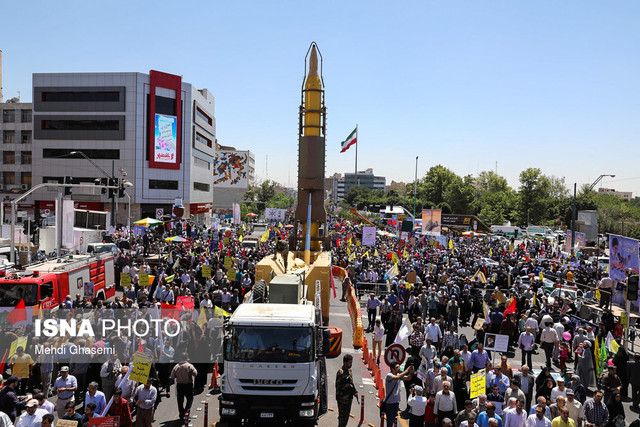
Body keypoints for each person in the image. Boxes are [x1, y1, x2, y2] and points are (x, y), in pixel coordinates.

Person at [170, 352, 198, 422]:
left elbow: (172, 376)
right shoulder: (189, 366)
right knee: (190, 399)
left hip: (180, 386)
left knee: (180, 401)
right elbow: (195, 373)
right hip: (188, 385)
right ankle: (187, 412)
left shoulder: (176, 366)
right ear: (186, 358)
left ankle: (181, 414)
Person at [336, 354, 358, 427]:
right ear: (345, 362)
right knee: (342, 419)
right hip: (342, 399)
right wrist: (345, 386)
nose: (351, 364)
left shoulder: (349, 371)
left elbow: (351, 382)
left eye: (351, 362)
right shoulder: (340, 372)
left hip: (348, 398)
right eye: (350, 363)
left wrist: (355, 391)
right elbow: (337, 386)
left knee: (346, 418)